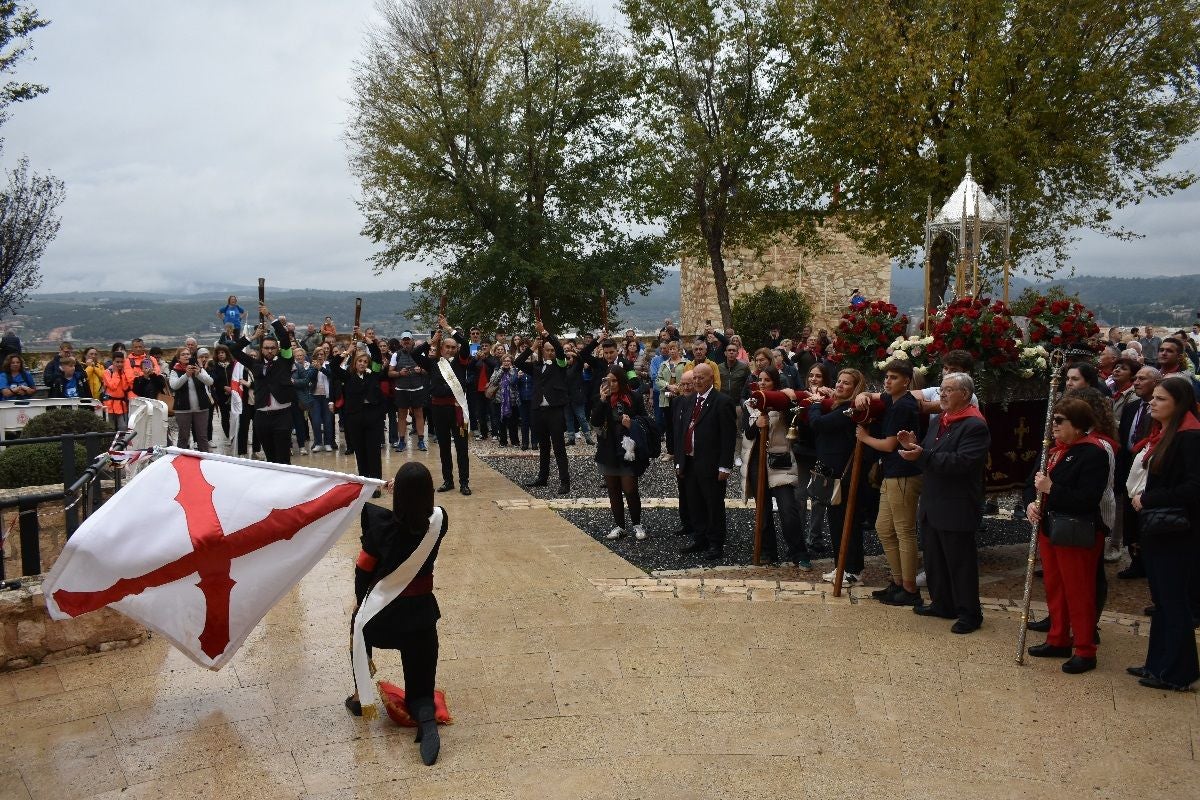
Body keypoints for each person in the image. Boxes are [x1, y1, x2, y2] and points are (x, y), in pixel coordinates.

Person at [346, 462, 447, 766]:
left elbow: (362, 574)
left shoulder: (379, 528)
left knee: (357, 622)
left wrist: (362, 603)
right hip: (421, 621)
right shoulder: (438, 524)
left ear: (397, 495)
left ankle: (360, 696)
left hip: (383, 622)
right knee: (420, 695)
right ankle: (425, 717)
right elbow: (431, 509)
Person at [898, 371, 990, 635]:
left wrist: (922, 454)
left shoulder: (974, 425)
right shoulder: (942, 420)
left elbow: (961, 463)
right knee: (935, 558)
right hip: (933, 500)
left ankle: (969, 613)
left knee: (960, 562)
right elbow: (931, 451)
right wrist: (913, 445)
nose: (942, 395)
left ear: (965, 394)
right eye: (941, 389)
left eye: (949, 390)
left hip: (957, 503)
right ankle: (942, 603)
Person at [1022, 398, 1109, 673]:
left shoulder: (1093, 452)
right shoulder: (1052, 450)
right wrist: (1031, 504)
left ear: (1079, 424)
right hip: (1050, 528)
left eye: (1060, 421)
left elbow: (1087, 498)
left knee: (1079, 591)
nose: (1053, 425)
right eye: (1053, 420)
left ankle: (1085, 649)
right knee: (1055, 586)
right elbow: (1030, 483)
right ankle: (1058, 637)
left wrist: (1050, 489)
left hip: (1076, 531)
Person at [1127, 376, 1200, 690]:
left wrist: (1148, 498)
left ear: (1178, 403)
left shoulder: (1190, 437)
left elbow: (1194, 488)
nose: (1152, 403)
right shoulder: (1164, 433)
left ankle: (1179, 671)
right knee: (1162, 599)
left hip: (1176, 531)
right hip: (1158, 528)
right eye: (1152, 398)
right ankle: (1157, 663)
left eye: (1160, 399)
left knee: (1173, 599)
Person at [858, 361, 923, 606]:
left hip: (904, 473)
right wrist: (864, 394)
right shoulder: (891, 400)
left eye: (894, 378)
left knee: (904, 530)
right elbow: (876, 395)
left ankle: (909, 588)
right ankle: (897, 582)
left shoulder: (904, 406)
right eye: (886, 377)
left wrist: (864, 438)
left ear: (906, 381)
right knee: (884, 527)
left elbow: (888, 445)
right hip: (892, 473)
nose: (887, 381)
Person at [742, 367, 809, 567]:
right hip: (757, 462)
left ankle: (798, 552)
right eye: (759, 379)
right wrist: (757, 424)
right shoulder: (751, 404)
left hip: (780, 461)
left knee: (788, 509)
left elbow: (796, 419)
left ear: (775, 383)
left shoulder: (784, 403)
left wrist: (789, 398)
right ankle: (768, 551)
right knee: (762, 511)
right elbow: (747, 433)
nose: (762, 383)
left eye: (767, 380)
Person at [809, 368, 869, 584]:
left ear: (855, 389)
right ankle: (841, 565)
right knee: (835, 522)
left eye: (846, 383)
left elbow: (818, 424)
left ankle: (852, 569)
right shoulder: (837, 405)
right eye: (839, 381)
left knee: (847, 522)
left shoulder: (848, 410)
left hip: (844, 474)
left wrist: (815, 404)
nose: (840, 385)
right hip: (831, 471)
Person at [675, 363, 736, 561]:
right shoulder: (689, 400)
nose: (697, 381)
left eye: (701, 378)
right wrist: (680, 461)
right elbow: (682, 430)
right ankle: (699, 537)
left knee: (713, 504)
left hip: (711, 463)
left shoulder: (722, 402)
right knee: (694, 502)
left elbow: (728, 436)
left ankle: (715, 542)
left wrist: (725, 465)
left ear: (711, 379)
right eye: (695, 378)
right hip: (691, 461)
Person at [412, 315, 473, 495]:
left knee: (462, 447)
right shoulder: (433, 363)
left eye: (454, 347)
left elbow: (466, 345)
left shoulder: (462, 362)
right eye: (447, 346)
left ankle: (464, 482)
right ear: (442, 347)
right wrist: (431, 341)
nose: (451, 350)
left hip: (458, 410)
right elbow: (415, 354)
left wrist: (448, 328)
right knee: (444, 446)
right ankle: (448, 480)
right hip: (438, 410)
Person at [231, 305, 296, 464]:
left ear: (277, 349)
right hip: (262, 416)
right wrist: (251, 337)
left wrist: (270, 317)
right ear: (262, 348)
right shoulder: (254, 364)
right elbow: (234, 350)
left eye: (273, 348)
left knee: (283, 458)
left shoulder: (285, 361)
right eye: (266, 348)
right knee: (270, 458)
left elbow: (285, 339)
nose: (269, 351)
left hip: (282, 415)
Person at [593, 366, 650, 540]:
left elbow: (645, 420)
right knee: (613, 488)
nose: (611, 384)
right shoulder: (603, 398)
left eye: (615, 380)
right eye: (608, 380)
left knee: (630, 488)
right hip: (608, 448)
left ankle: (637, 524)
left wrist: (631, 423)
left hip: (627, 448)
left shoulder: (633, 397)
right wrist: (602, 401)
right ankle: (619, 526)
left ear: (621, 381)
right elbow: (594, 421)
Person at [1116, 366, 1162, 579]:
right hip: (1129, 468)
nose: (1136, 382)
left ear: (1156, 382)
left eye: (1142, 379)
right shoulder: (1132, 407)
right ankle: (1136, 559)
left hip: (1149, 471)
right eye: (1135, 378)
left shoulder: (1160, 410)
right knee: (1130, 518)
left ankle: (1149, 561)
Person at [515, 322, 571, 494]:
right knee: (543, 446)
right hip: (538, 410)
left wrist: (545, 333)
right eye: (547, 350)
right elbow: (518, 361)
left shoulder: (560, 365)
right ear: (542, 351)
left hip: (555, 410)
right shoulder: (536, 367)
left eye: (552, 350)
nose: (550, 352)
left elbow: (560, 350)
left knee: (559, 446)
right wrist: (532, 347)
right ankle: (542, 477)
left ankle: (564, 481)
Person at [334, 329, 386, 489]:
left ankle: (375, 484)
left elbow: (377, 355)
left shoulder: (374, 374)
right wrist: (348, 351)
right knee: (360, 452)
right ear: (355, 363)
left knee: (373, 452)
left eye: (365, 361)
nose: (362, 364)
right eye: (360, 361)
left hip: (373, 417)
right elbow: (334, 366)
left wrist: (366, 338)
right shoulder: (348, 377)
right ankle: (364, 483)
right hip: (355, 418)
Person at [169, 348, 214, 452]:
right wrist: (186, 375)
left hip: (201, 408)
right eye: (183, 354)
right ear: (178, 358)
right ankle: (181, 459)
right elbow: (174, 386)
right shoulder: (175, 370)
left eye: (188, 354)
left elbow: (210, 382)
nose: (186, 356)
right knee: (183, 436)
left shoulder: (199, 368)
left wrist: (199, 374)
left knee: (202, 436)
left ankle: (204, 459)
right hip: (183, 409)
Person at [390, 332, 428, 453]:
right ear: (401, 342)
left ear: (412, 341)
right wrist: (399, 373)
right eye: (404, 340)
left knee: (419, 415)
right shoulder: (396, 355)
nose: (406, 342)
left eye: (408, 340)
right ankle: (402, 441)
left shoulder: (420, 353)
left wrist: (421, 370)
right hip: (402, 389)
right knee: (401, 416)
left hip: (417, 388)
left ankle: (421, 440)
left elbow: (428, 370)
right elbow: (390, 373)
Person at [655, 340, 687, 462]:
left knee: (683, 423)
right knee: (669, 425)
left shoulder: (686, 363)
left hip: (681, 396)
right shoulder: (664, 364)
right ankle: (671, 451)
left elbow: (689, 376)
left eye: (674, 348)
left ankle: (683, 449)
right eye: (670, 349)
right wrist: (669, 386)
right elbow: (658, 380)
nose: (672, 351)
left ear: (679, 349)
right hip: (667, 397)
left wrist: (678, 388)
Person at [486, 354, 522, 446]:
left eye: (508, 361)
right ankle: (503, 441)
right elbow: (493, 381)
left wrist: (511, 371)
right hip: (499, 400)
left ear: (511, 362)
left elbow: (514, 382)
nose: (506, 363)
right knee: (501, 423)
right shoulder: (497, 370)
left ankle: (515, 441)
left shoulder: (515, 370)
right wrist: (501, 370)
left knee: (513, 423)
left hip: (512, 400)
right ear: (502, 362)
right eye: (505, 361)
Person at [100, 351, 134, 429]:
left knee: (123, 427)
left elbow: (125, 388)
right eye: (117, 362)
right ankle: (110, 441)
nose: (119, 364)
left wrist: (125, 373)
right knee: (110, 427)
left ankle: (122, 441)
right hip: (109, 404)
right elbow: (112, 386)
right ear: (113, 361)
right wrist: (115, 373)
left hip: (121, 404)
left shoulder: (123, 373)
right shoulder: (107, 372)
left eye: (122, 362)